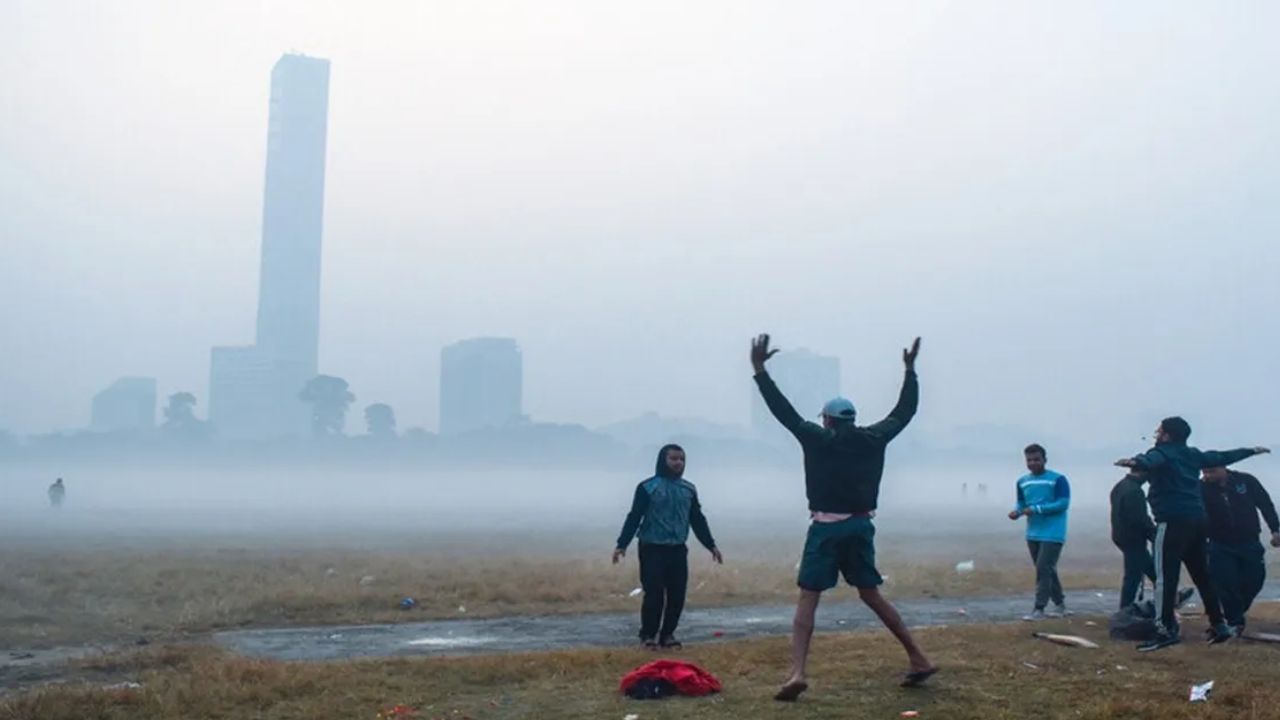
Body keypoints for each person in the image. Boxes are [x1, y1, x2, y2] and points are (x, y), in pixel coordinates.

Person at [752, 333, 936, 701]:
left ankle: (797, 672)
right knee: (871, 594)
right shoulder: (873, 438)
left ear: (827, 420)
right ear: (851, 419)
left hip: (826, 528)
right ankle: (918, 657)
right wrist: (910, 371)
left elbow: (783, 411)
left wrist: (759, 370)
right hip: (861, 526)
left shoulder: (816, 438)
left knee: (809, 598)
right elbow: (904, 412)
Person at [1115, 416, 1269, 651]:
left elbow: (1151, 460)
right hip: (1198, 521)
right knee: (1202, 576)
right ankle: (1219, 625)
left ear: (1167, 435)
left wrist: (1135, 461)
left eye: (1159, 431)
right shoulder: (1193, 454)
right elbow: (1221, 456)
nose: (1156, 434)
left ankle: (1165, 631)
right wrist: (1251, 450)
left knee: (1165, 579)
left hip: (1171, 522)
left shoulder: (1163, 452)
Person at [614, 444, 723, 650]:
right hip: (652, 547)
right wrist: (622, 544)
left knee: (677, 594)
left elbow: (697, 519)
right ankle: (648, 635)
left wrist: (711, 545)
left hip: (677, 549)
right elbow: (635, 516)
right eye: (673, 459)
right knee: (654, 593)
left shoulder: (688, 489)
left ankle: (668, 634)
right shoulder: (647, 487)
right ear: (663, 460)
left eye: (681, 459)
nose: (678, 463)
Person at [1201, 466, 1280, 636]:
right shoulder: (1200, 488)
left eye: (1211, 471)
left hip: (1249, 541)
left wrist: (1275, 529)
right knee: (1226, 583)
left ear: (1223, 468)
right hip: (1219, 544)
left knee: (1255, 580)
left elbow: (1265, 503)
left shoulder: (1246, 481)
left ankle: (1232, 613)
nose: (1207, 476)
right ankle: (1234, 622)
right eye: (1204, 472)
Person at [1007, 444, 1071, 620]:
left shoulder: (1058, 479)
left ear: (1045, 459)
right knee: (1047, 570)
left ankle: (1039, 608)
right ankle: (1060, 604)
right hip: (1033, 532)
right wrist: (1017, 512)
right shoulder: (1022, 481)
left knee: (1043, 569)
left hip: (1053, 532)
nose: (1033, 463)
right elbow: (1021, 503)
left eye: (1036, 459)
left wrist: (1038, 509)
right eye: (1029, 460)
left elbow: (1063, 503)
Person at [1110, 469, 1159, 610]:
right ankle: (1125, 609)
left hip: (1121, 536)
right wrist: (1154, 535)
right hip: (1133, 538)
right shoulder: (1134, 491)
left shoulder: (1121, 486)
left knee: (1147, 568)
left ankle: (1170, 595)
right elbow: (1140, 519)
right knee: (1133, 575)